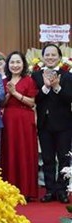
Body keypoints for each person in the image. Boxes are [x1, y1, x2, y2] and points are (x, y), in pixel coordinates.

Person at [32, 43, 72, 204]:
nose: (50, 57)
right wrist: (46, 88)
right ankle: (50, 190)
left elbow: (69, 98)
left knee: (63, 158)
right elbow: (34, 99)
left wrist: (57, 87)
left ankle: (62, 190)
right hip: (44, 124)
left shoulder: (67, 76)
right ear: (42, 57)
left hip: (64, 124)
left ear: (59, 57)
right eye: (47, 55)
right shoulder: (35, 76)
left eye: (53, 54)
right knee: (47, 158)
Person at [0, 51, 38, 201]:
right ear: (8, 65)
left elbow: (32, 102)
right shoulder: (4, 81)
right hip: (9, 120)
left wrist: (15, 93)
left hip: (25, 119)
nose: (15, 65)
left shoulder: (29, 80)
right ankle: (10, 190)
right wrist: (9, 93)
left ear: (23, 64)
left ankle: (27, 191)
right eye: (12, 62)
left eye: (18, 62)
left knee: (25, 152)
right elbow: (1, 104)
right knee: (10, 152)